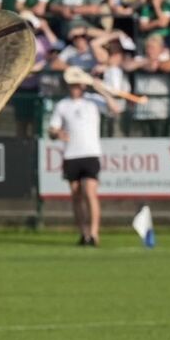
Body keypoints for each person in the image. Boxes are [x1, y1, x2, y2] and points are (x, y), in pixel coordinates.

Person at [49, 79, 106, 246]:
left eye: (78, 85)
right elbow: (53, 129)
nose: (75, 88)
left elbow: (115, 108)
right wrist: (56, 133)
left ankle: (94, 233)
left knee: (90, 192)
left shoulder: (93, 101)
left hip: (91, 153)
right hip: (71, 155)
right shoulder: (63, 105)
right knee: (76, 196)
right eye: (72, 85)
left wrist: (101, 90)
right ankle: (84, 233)